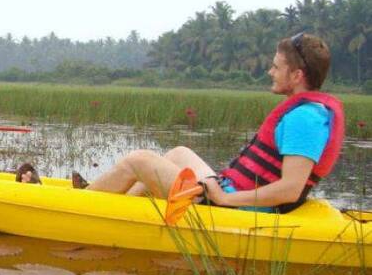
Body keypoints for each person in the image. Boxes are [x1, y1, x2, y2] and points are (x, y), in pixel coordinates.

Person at [85, 33, 344, 213]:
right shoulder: (307, 113)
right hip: (226, 192)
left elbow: (290, 189)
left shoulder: (305, 119)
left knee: (138, 160)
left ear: (297, 75)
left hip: (235, 207)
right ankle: (123, 215)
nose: (270, 72)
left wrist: (225, 197)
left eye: (276, 67)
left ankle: (81, 206)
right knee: (178, 154)